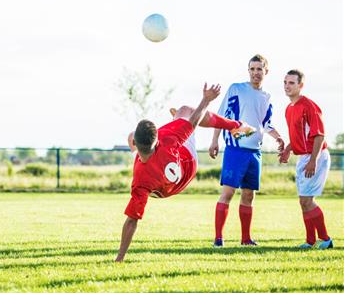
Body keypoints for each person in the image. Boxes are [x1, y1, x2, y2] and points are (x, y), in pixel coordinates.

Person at [115, 83, 255, 262]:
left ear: (136, 144)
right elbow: (195, 120)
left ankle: (175, 120)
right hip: (187, 165)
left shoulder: (140, 180)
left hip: (160, 188)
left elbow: (132, 221)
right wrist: (206, 99)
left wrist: (120, 257)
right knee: (187, 110)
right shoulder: (167, 140)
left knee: (132, 134)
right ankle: (236, 126)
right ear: (156, 139)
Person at [208, 54, 285, 247]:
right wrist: (215, 141)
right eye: (252, 69)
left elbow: (266, 124)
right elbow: (220, 116)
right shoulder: (237, 89)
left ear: (266, 72)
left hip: (254, 152)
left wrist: (278, 137)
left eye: (259, 69)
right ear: (248, 71)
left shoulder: (267, 97)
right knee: (228, 193)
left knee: (249, 195)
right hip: (236, 149)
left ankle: (246, 239)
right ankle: (218, 239)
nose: (255, 73)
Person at [278, 69, 333, 249]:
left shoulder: (309, 105)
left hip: (316, 156)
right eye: (285, 82)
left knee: (308, 201)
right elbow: (297, 136)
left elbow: (319, 135)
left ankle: (325, 239)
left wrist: (313, 160)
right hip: (303, 156)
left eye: (292, 83)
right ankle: (310, 241)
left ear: (300, 86)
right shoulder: (289, 108)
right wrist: (287, 149)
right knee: (303, 201)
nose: (287, 86)